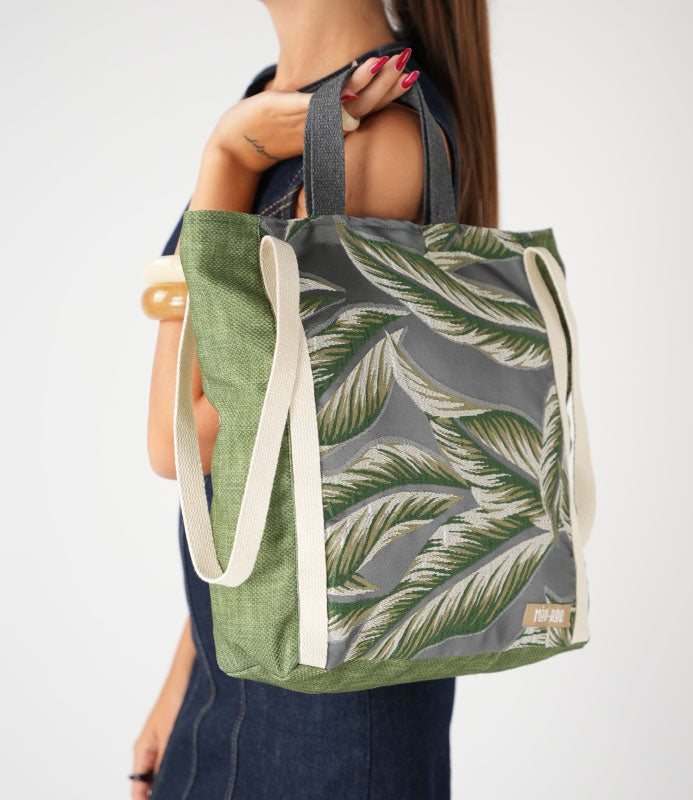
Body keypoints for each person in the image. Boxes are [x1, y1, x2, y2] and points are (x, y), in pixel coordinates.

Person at [134, 1, 497, 797]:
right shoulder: (277, 102)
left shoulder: (377, 140)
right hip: (240, 670)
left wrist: (226, 160)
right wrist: (182, 685)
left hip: (328, 722)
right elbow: (275, 488)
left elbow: (185, 441)